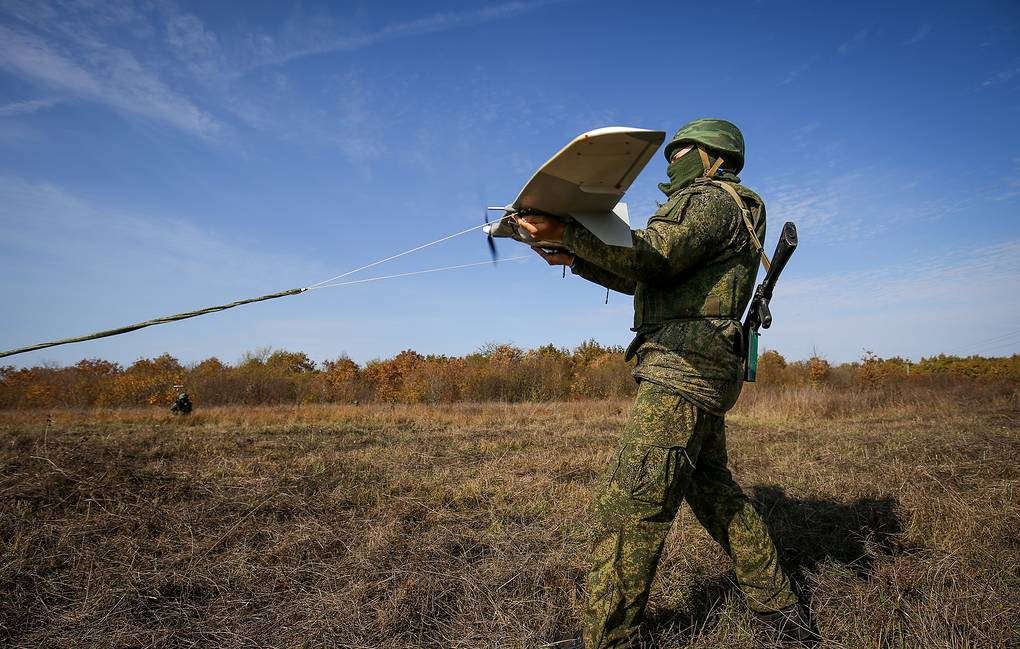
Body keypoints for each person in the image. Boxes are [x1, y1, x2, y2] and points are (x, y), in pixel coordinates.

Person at [518, 119, 818, 648]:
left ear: (714, 157)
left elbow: (651, 258)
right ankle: (781, 610)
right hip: (703, 370)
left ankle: (608, 639)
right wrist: (576, 258)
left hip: (681, 372)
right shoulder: (733, 207)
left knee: (631, 504)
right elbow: (649, 277)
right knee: (714, 493)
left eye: (681, 151)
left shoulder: (707, 200)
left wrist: (568, 231)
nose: (671, 161)